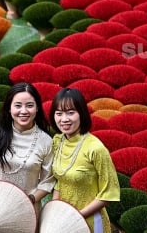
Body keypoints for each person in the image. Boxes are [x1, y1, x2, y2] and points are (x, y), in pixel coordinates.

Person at [0, 82, 55, 212]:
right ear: (9, 108)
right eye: (18, 105)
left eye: (29, 105)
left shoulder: (45, 142)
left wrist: (31, 199)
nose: (23, 111)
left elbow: (48, 180)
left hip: (27, 210)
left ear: (37, 108)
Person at [49, 87, 120, 233]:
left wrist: (76, 217)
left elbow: (108, 194)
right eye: (59, 113)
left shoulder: (95, 148)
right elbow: (60, 182)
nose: (64, 119)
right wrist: (54, 210)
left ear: (81, 113)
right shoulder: (57, 141)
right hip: (62, 220)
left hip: (90, 221)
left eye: (70, 113)